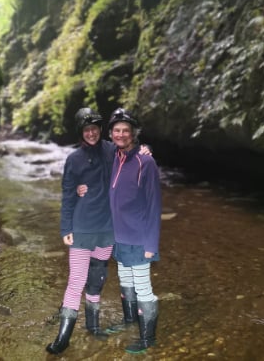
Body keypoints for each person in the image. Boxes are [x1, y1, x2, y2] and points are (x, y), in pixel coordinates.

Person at [46, 108, 151, 355]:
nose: (91, 133)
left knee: (97, 279)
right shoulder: (73, 159)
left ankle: (93, 326)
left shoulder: (113, 150)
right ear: (80, 132)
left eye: (94, 128)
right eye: (86, 129)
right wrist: (66, 227)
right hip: (82, 229)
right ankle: (64, 337)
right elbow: (67, 195)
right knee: (76, 281)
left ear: (100, 129)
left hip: (108, 229)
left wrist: (145, 151)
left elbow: (133, 155)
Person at [107, 108, 162, 354]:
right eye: (116, 130)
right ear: (111, 134)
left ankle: (148, 339)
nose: (121, 134)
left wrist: (151, 245)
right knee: (125, 281)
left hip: (139, 239)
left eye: (125, 131)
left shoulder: (145, 162)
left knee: (143, 288)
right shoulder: (112, 157)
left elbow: (153, 205)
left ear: (133, 134)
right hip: (118, 237)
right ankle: (129, 322)